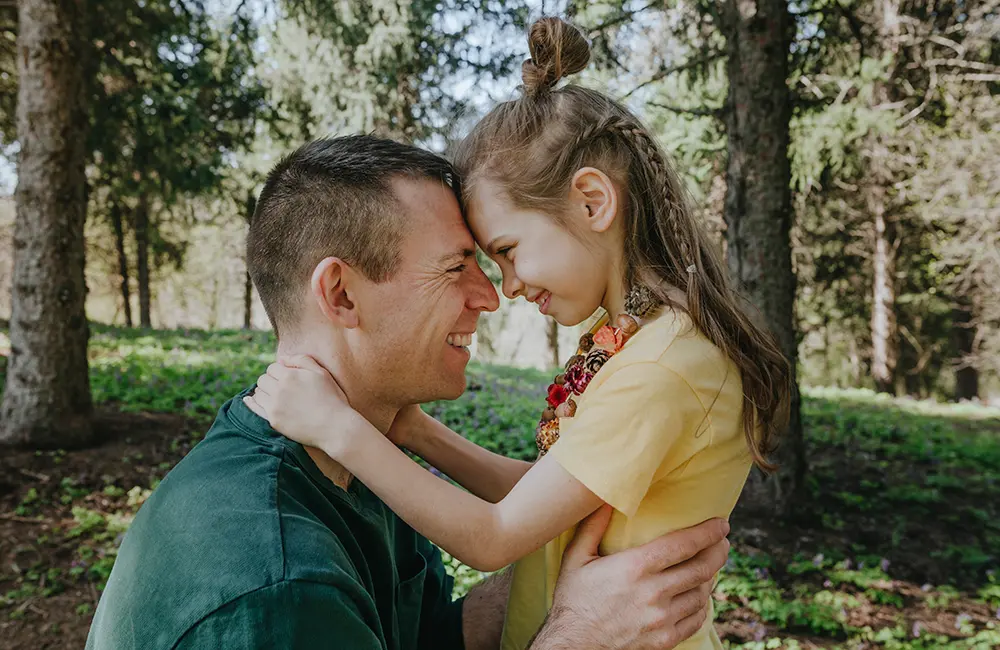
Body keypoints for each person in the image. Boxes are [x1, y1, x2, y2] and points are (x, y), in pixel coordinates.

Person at [247, 16, 793, 650]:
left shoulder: (665, 366)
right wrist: (418, 433)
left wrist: (337, 428)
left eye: (507, 250)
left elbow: (497, 535)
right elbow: (550, 500)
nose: (505, 287)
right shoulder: (638, 342)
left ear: (592, 202)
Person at [85, 135, 731, 650]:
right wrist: (577, 636)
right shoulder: (276, 590)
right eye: (457, 268)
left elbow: (428, 637)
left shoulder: (358, 466)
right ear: (341, 295)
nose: (493, 296)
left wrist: (579, 586)